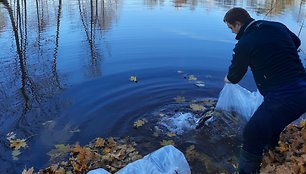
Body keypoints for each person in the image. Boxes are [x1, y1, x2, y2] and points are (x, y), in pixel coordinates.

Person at [223, 7, 306, 173]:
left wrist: (227, 78)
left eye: (231, 28)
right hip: (303, 91)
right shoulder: (277, 26)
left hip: (283, 99)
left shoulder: (244, 44)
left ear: (238, 24)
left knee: (251, 134)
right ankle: (272, 149)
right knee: (271, 123)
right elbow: (296, 42)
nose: (232, 32)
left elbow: (235, 76)